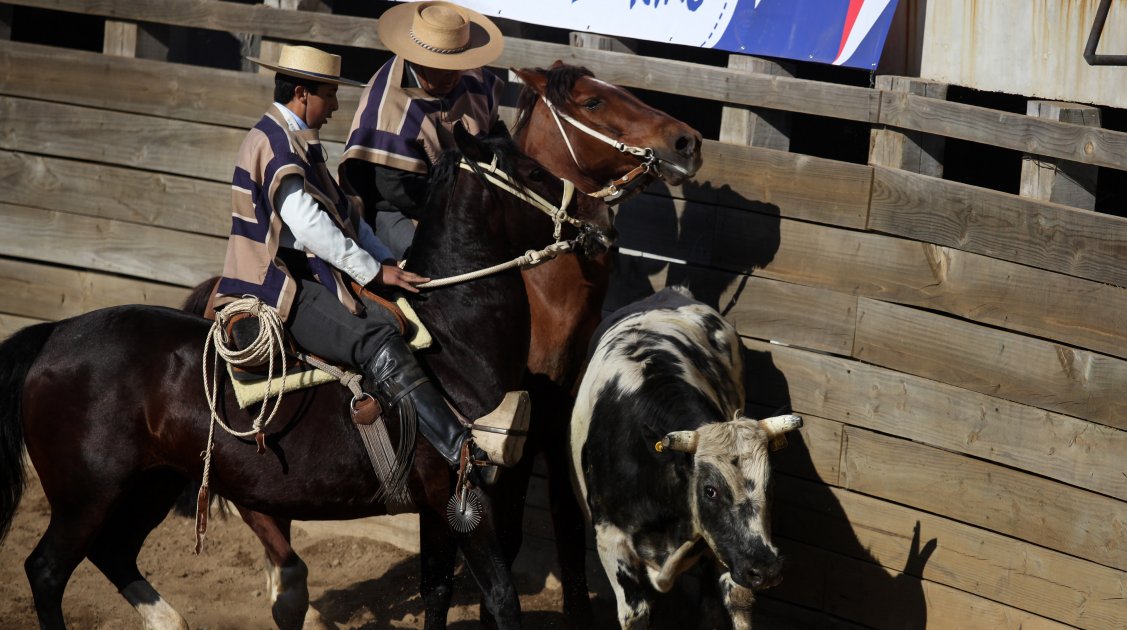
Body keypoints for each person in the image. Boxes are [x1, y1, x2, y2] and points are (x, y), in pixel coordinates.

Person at [214, 43, 515, 483]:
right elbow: (312, 226)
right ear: (302, 93)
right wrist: (373, 271)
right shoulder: (277, 143)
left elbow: (347, 217)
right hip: (278, 284)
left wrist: (387, 261)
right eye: (329, 95)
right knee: (375, 338)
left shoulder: (293, 138)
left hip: (308, 271)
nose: (336, 106)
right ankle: (458, 450)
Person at [340, 0, 506, 258]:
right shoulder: (386, 108)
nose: (452, 76)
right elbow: (397, 190)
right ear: (418, 59)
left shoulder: (474, 79)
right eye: (441, 68)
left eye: (457, 65)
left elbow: (497, 135)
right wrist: (463, 211)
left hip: (477, 196)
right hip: (402, 209)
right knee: (433, 262)